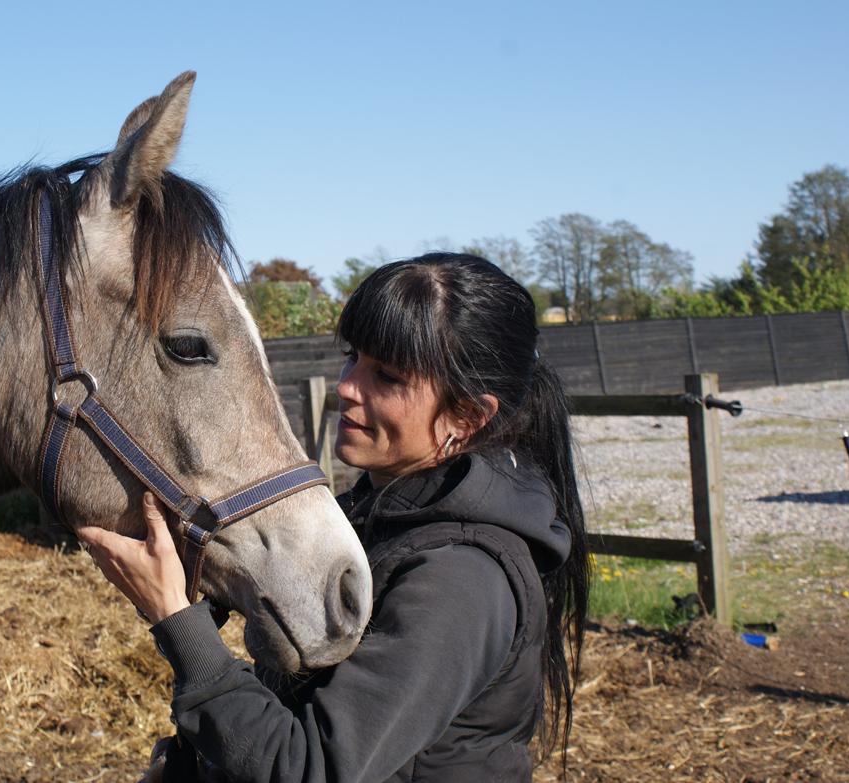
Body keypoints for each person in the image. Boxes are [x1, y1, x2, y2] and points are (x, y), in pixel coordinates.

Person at [78, 253, 589, 782]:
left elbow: (310, 768)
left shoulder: (461, 578)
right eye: (353, 358)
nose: (347, 386)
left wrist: (176, 620)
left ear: (468, 417)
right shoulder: (376, 517)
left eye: (387, 376)